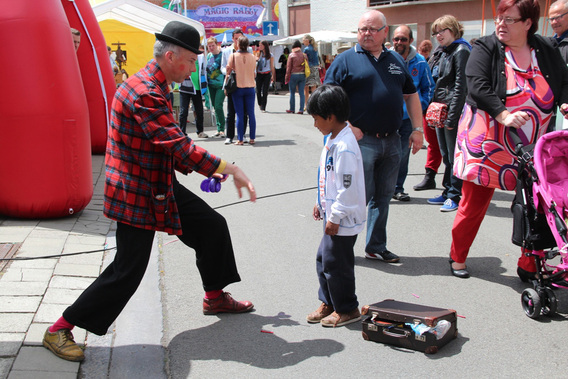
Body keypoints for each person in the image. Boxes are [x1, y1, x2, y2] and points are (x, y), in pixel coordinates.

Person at [42, 21, 256, 362]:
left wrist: (208, 169)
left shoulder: (156, 83)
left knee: (211, 227)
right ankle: (60, 328)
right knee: (128, 270)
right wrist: (229, 168)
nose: (191, 70)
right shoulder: (145, 92)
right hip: (135, 191)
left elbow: (168, 147)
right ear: (171, 57)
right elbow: (179, 146)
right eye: (189, 62)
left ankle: (214, 295)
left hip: (156, 183)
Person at [450, 0, 568, 279]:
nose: (500, 24)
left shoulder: (546, 48)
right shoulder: (486, 47)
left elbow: (564, 81)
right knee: (473, 205)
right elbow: (476, 83)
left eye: (509, 19)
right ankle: (458, 256)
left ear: (528, 23)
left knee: (535, 205)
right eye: (499, 18)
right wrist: (503, 114)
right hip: (488, 141)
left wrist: (564, 102)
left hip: (531, 144)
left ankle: (529, 264)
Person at [325, 10, 424, 263]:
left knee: (383, 197)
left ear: (384, 32)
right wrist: (347, 126)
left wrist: (417, 129)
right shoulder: (345, 60)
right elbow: (326, 99)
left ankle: (376, 245)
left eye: (372, 29)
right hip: (360, 142)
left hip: (392, 140)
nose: (366, 33)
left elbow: (411, 95)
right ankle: (341, 248)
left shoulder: (395, 59)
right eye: (362, 29)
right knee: (355, 197)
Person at [306, 84, 366, 327]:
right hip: (333, 213)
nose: (314, 124)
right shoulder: (332, 138)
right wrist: (320, 204)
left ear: (330, 117)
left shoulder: (345, 147)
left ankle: (347, 307)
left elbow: (347, 188)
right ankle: (329, 301)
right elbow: (327, 177)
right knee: (324, 258)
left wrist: (336, 216)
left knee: (336, 263)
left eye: (316, 118)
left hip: (343, 217)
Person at [426, 15, 471, 212]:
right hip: (441, 109)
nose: (438, 35)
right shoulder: (444, 51)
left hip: (452, 110)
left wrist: (453, 116)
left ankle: (454, 194)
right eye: (435, 32)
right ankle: (447, 191)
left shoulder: (461, 50)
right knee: (446, 154)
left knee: (453, 155)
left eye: (441, 31)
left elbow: (461, 85)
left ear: (453, 29)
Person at [392, 25, 435, 202]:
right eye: (396, 39)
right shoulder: (385, 58)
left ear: (411, 41)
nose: (399, 42)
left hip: (407, 120)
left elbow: (428, 88)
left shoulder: (420, 62)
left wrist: (417, 106)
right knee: (379, 154)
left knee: (402, 154)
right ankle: (378, 190)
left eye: (403, 39)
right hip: (385, 117)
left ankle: (397, 188)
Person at [221, 28, 252, 144]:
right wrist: (229, 70)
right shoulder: (226, 51)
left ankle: (242, 134)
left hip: (244, 83)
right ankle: (229, 136)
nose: (237, 41)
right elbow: (222, 67)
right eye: (235, 39)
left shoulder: (248, 50)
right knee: (231, 111)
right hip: (232, 83)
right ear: (232, 39)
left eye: (239, 39)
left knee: (244, 111)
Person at [179, 49, 208, 138]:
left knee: (199, 110)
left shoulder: (200, 57)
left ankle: (200, 131)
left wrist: (205, 83)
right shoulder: (183, 55)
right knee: (183, 111)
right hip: (185, 87)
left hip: (197, 87)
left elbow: (204, 70)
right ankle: (182, 132)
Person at [205, 37, 226, 137]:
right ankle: (219, 128)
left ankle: (222, 128)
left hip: (221, 84)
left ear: (216, 44)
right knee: (214, 106)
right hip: (211, 84)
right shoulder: (208, 55)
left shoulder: (222, 54)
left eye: (213, 45)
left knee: (218, 105)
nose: (211, 47)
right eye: (209, 46)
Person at [285, 40, 307, 114]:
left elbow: (288, 68)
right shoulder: (304, 55)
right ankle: (301, 109)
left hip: (293, 75)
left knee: (292, 92)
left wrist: (286, 77)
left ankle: (292, 108)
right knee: (301, 93)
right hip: (302, 75)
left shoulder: (291, 55)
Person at [255, 40, 276, 112]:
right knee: (258, 90)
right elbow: (255, 65)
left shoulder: (270, 55)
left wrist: (273, 75)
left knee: (265, 91)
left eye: (261, 45)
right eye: (259, 45)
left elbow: (272, 66)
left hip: (267, 74)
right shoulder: (258, 54)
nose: (259, 47)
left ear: (265, 46)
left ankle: (263, 107)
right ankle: (259, 103)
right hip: (259, 73)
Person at [303, 34, 321, 104]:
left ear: (307, 41)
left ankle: (306, 103)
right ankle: (315, 103)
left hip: (308, 68)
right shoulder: (315, 48)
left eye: (304, 41)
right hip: (315, 68)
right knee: (314, 86)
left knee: (306, 87)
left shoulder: (306, 49)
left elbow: (304, 59)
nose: (303, 42)